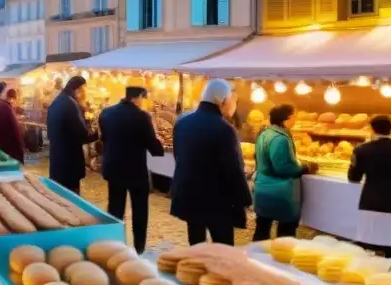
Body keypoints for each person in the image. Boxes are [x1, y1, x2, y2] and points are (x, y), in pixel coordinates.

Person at [170, 79, 252, 245]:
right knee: (222, 249)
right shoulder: (224, 129)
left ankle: (195, 270)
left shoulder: (182, 123)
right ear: (222, 101)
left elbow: (178, 157)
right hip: (217, 201)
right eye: (231, 99)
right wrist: (245, 199)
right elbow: (233, 169)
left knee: (196, 244)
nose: (233, 104)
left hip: (189, 195)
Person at [98, 83, 165, 253]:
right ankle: (139, 249)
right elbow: (154, 148)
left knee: (115, 208)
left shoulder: (106, 113)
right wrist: (159, 144)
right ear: (137, 97)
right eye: (143, 98)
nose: (143, 102)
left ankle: (114, 245)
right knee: (139, 210)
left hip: (113, 167)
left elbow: (104, 138)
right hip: (135, 170)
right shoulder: (142, 117)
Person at [252, 104, 316, 241]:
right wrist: (305, 167)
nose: (296, 119)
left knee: (262, 230)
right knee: (286, 234)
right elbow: (283, 168)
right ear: (288, 117)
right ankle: (279, 261)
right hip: (280, 194)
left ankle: (256, 258)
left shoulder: (264, 134)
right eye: (295, 116)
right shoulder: (280, 139)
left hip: (262, 189)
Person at [46, 76, 97, 194]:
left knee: (59, 197)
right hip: (69, 164)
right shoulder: (70, 104)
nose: (86, 93)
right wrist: (98, 134)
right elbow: (82, 135)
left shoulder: (58, 100)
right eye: (85, 89)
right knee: (71, 200)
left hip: (57, 161)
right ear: (78, 89)